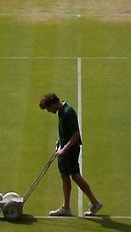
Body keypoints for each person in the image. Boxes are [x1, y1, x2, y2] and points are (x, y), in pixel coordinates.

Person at [37, 90, 101, 218]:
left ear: (54, 104)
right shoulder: (61, 112)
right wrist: (59, 141)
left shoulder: (67, 113)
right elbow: (66, 132)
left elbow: (76, 135)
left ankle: (94, 202)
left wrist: (64, 149)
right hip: (65, 149)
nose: (49, 111)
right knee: (64, 176)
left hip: (70, 151)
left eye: (48, 108)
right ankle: (66, 207)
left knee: (75, 176)